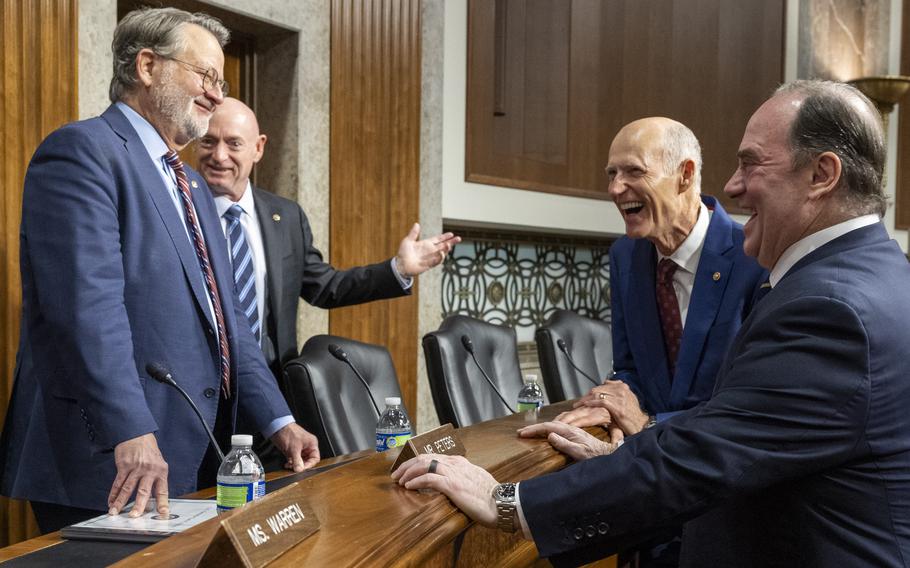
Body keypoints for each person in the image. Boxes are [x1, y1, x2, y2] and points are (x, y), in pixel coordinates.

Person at [393, 80, 910, 566]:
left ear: (822, 175)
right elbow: (743, 425)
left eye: (751, 164)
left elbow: (709, 453)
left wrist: (503, 499)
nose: (732, 185)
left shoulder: (830, 307)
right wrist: (619, 452)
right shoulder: (873, 274)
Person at [0, 7, 320, 533]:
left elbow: (229, 321)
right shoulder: (84, 152)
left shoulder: (191, 184)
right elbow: (85, 309)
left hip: (192, 454)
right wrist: (130, 429)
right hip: (112, 457)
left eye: (220, 81)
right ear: (148, 66)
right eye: (206, 76)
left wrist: (278, 420)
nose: (217, 95)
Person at [195, 97, 459, 468]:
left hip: (272, 408)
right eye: (208, 141)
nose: (219, 155)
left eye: (233, 143)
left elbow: (325, 286)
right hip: (199, 403)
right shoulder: (182, 211)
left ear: (258, 148)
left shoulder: (284, 216)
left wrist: (397, 268)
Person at [555, 118, 766, 443]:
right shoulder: (624, 255)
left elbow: (755, 403)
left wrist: (652, 424)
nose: (615, 188)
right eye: (612, 173)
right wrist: (612, 403)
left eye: (634, 172)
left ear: (685, 174)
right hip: (649, 467)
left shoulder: (755, 256)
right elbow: (629, 368)